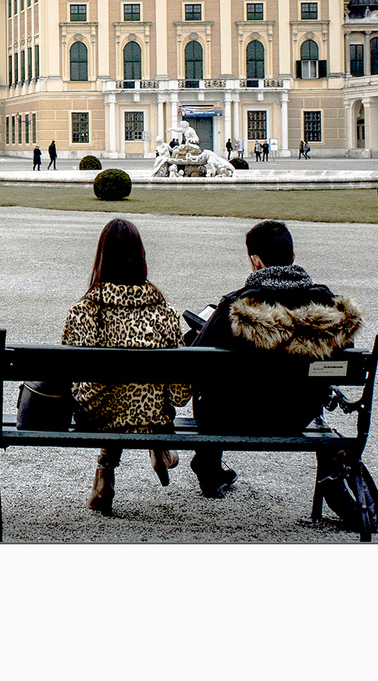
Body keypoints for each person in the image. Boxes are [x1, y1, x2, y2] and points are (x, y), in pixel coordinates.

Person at [187, 220, 361, 498]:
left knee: (208, 387)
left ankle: (209, 468)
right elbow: (342, 358)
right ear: (292, 258)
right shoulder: (328, 307)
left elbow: (194, 363)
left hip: (234, 416)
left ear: (256, 262)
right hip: (296, 415)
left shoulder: (237, 307)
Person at [62, 218, 191, 515]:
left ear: (101, 257)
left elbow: (79, 387)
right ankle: (158, 446)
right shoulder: (165, 313)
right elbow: (181, 393)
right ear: (141, 257)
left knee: (114, 404)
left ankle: (105, 472)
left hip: (96, 418)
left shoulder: (84, 311)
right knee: (140, 404)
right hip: (151, 419)